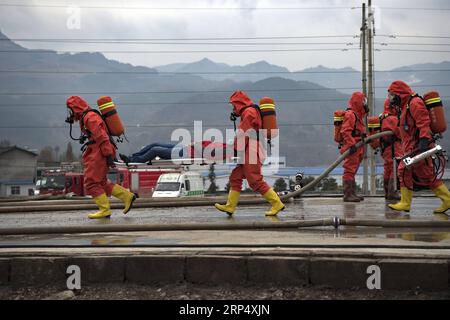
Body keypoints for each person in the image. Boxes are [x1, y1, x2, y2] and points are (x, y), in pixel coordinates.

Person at [215, 91, 285, 216]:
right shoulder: (249, 111)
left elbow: (244, 132)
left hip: (252, 149)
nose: (233, 108)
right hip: (249, 149)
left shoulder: (249, 112)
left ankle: (277, 203)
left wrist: (234, 148)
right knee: (236, 177)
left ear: (239, 103)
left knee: (255, 180)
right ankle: (230, 207)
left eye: (234, 105)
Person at [66, 96, 137, 219]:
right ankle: (127, 196)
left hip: (99, 153)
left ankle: (104, 210)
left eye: (70, 110)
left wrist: (108, 154)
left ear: (75, 108)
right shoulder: (87, 117)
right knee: (101, 182)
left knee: (91, 182)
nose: (70, 113)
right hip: (98, 151)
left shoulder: (90, 117)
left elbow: (102, 137)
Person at [387, 80, 450, 214]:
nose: (391, 99)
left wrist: (423, 141)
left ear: (399, 93)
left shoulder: (414, 103)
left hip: (419, 147)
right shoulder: (405, 106)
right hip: (412, 147)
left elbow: (423, 123)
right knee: (428, 176)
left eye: (392, 95)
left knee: (403, 168)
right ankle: (447, 199)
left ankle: (405, 203)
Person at [340, 92, 369, 202]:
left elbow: (357, 130)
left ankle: (352, 193)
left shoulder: (358, 116)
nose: (365, 104)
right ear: (358, 102)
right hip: (352, 146)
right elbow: (345, 131)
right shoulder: (351, 114)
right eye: (363, 101)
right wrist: (352, 145)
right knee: (349, 170)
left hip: (357, 146)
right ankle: (348, 195)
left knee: (353, 170)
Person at [119, 141, 231, 164]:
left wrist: (195, 144)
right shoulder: (225, 145)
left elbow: (205, 153)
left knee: (155, 150)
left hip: (185, 153)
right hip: (186, 147)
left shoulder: (224, 150)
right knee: (154, 144)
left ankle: (132, 160)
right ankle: (133, 156)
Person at [379, 98, 402, 201]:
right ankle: (393, 192)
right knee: (395, 169)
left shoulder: (383, 117)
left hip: (386, 148)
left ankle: (387, 193)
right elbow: (400, 133)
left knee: (388, 169)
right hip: (394, 148)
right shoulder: (393, 119)